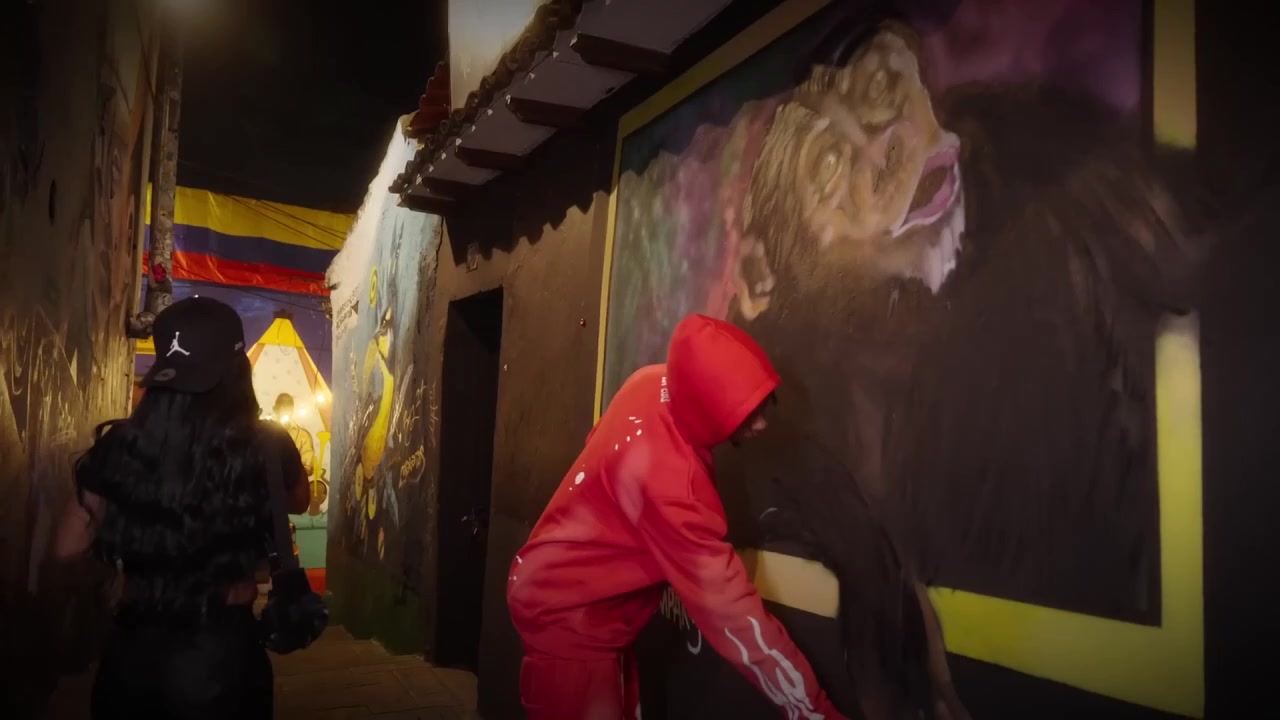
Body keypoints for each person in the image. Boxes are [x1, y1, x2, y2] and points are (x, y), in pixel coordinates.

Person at [507, 313, 848, 720]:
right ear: (706, 405)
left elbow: (598, 450)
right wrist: (815, 711)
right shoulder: (674, 485)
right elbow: (734, 618)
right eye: (745, 413)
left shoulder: (649, 382)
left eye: (762, 404)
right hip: (570, 621)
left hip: (561, 593)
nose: (761, 424)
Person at [51, 297, 309, 719]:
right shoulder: (266, 445)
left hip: (133, 651)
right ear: (238, 370)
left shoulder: (122, 446)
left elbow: (66, 548)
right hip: (224, 654)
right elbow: (300, 501)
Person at [273, 392, 316, 479]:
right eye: (282, 406)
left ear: (292, 410)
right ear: (275, 410)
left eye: (288, 406)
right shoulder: (266, 434)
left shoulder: (303, 436)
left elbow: (308, 468)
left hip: (294, 484)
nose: (285, 410)